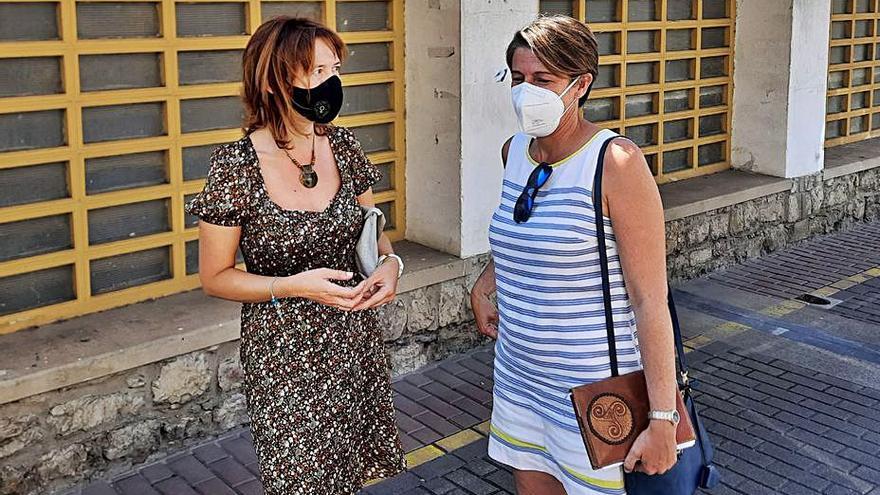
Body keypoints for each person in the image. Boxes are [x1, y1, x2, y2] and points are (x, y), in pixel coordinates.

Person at [185, 16, 406, 495]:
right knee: (302, 482)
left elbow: (373, 231)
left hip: (355, 341)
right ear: (273, 79)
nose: (331, 82)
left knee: (350, 473)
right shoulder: (235, 165)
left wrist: (391, 266)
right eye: (316, 69)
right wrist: (290, 286)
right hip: (286, 358)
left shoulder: (344, 146)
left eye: (335, 68)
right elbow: (215, 277)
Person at [469, 15, 679, 495]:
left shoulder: (615, 163)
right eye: (518, 79)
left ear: (580, 84)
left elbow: (651, 301)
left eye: (543, 80)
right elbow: (524, 230)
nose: (527, 93)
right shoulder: (515, 152)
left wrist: (663, 417)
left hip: (598, 393)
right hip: (521, 375)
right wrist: (487, 281)